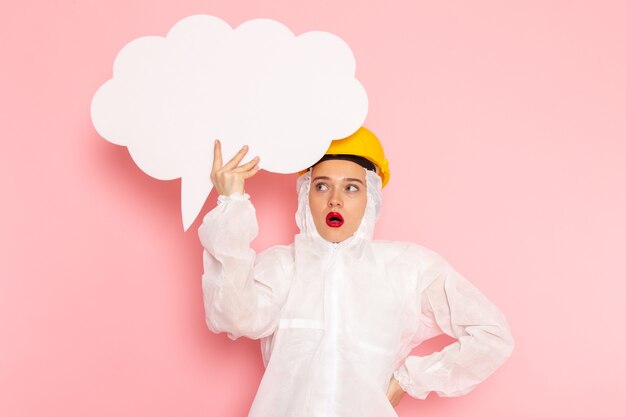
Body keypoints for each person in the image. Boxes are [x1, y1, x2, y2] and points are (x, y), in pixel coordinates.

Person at [198, 127, 514, 417]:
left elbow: (492, 335)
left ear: (371, 196)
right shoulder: (283, 267)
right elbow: (234, 316)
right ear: (306, 194)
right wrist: (232, 202)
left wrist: (408, 381)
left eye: (351, 188)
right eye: (322, 186)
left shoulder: (406, 268)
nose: (335, 200)